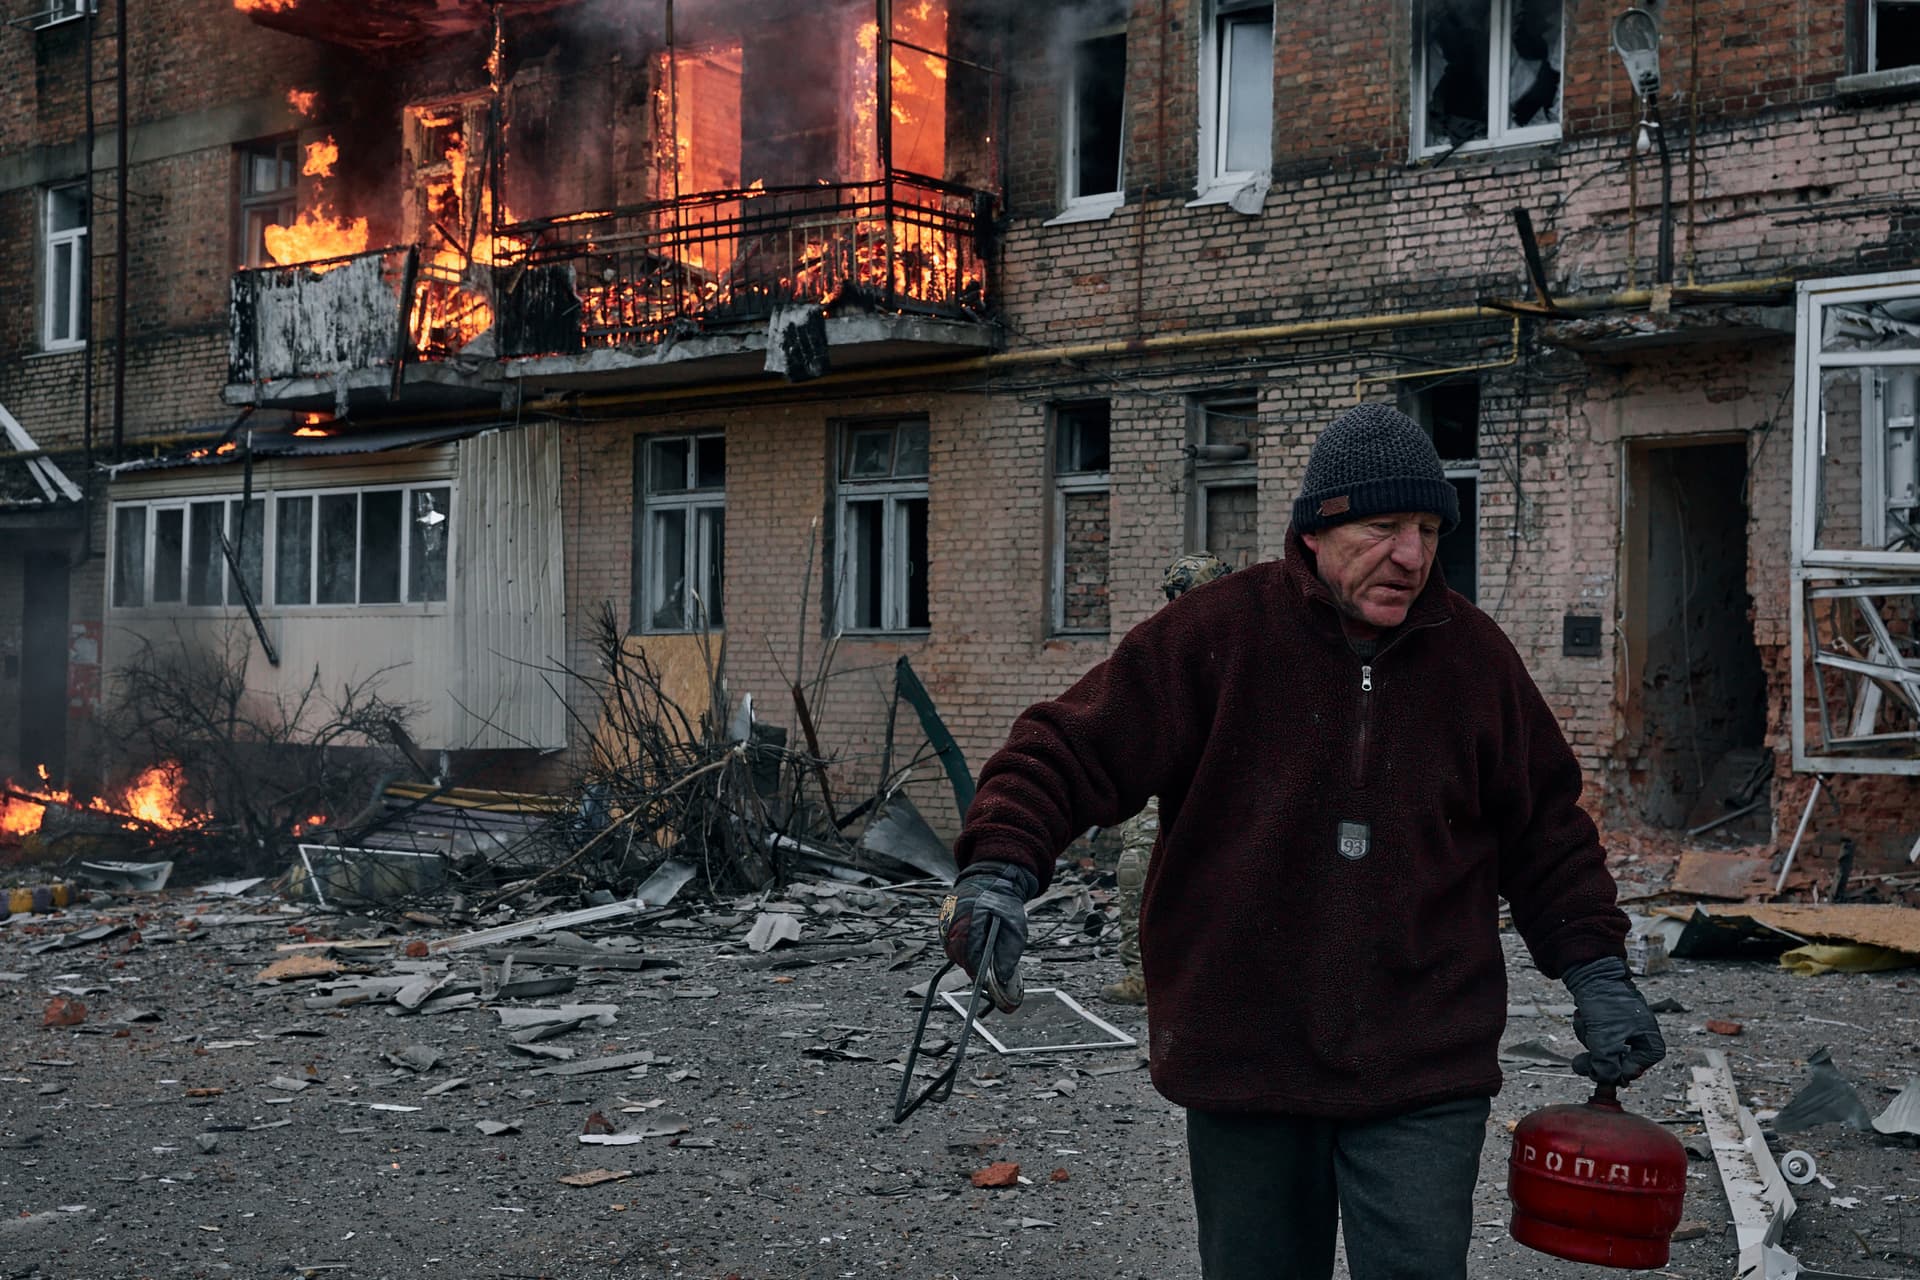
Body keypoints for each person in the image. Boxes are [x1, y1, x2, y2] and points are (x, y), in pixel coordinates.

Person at [939, 402, 1665, 1280]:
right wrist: (1000, 869)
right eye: (1385, 526)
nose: (1414, 555)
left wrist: (1596, 972)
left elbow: (1546, 832)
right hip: (1245, 1055)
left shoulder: (1475, 662)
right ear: (1315, 530)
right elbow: (1064, 748)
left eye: (1431, 529)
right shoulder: (1214, 637)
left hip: (1422, 1063)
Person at [1100, 552, 1233, 1007]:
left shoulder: (1247, 645)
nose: (1184, 605)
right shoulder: (1156, 645)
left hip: (1226, 782)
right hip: (1165, 779)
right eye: (1177, 596)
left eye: (1193, 595)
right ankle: (1140, 974)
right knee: (1136, 867)